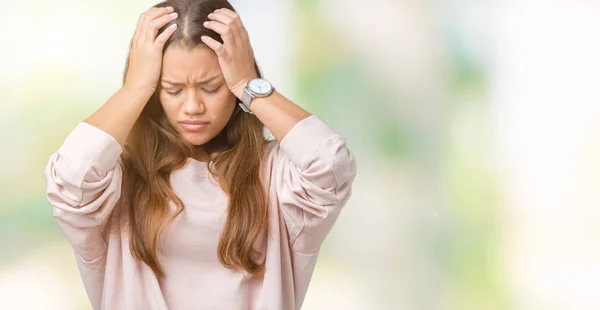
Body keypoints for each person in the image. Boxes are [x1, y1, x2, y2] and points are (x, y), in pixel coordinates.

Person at [43, 0, 357, 309]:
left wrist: (248, 83)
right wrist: (134, 88)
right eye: (173, 89)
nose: (193, 107)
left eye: (211, 87)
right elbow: (71, 180)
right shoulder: (116, 179)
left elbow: (331, 164)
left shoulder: (277, 177)